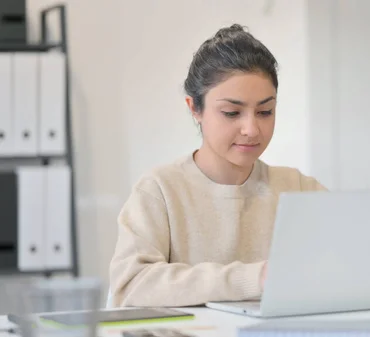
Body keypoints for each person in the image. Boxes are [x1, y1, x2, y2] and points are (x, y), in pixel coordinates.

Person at [108, 24, 327, 307]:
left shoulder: (298, 189)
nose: (251, 128)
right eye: (232, 112)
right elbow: (131, 285)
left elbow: (356, 257)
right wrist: (255, 277)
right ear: (194, 109)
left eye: (265, 111)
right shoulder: (159, 190)